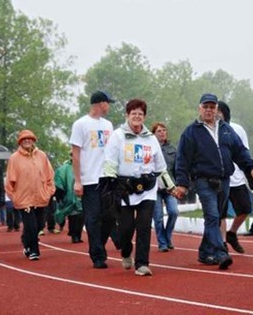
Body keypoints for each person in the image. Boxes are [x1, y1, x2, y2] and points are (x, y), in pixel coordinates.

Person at [173, 93, 253, 270]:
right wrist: (182, 183)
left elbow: (240, 151)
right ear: (200, 109)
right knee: (212, 216)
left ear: (216, 110)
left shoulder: (227, 129)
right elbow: (182, 159)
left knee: (215, 217)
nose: (208, 110)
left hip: (224, 180)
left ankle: (205, 252)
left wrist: (251, 167)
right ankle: (221, 252)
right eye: (205, 106)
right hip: (203, 181)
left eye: (212, 107)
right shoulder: (191, 132)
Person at [101, 99, 176, 276]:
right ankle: (126, 251)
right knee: (126, 229)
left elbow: (160, 167)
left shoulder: (151, 138)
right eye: (133, 113)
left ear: (144, 117)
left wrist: (171, 187)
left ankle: (142, 263)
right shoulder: (117, 136)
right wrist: (110, 183)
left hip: (147, 190)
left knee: (143, 226)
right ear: (127, 115)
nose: (137, 117)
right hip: (124, 189)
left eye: (140, 114)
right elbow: (110, 161)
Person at [69, 90, 116, 269]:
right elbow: (76, 153)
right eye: (107, 103)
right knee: (93, 217)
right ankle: (97, 255)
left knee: (110, 217)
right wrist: (77, 180)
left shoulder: (109, 125)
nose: (109, 106)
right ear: (100, 103)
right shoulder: (81, 124)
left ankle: (99, 245)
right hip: (89, 179)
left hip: (107, 178)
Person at [5, 129, 55, 261]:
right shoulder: (14, 158)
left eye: (30, 138)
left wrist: (49, 191)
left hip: (41, 197)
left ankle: (26, 242)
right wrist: (13, 197)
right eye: (24, 139)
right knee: (31, 225)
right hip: (23, 198)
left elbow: (49, 175)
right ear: (20, 142)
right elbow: (10, 180)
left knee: (39, 225)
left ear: (33, 140)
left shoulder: (42, 156)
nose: (27, 141)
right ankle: (34, 250)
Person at [216, 100, 253, 253]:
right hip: (219, 177)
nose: (216, 116)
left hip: (236, 177)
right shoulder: (208, 130)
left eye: (219, 112)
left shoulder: (237, 129)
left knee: (245, 208)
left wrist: (250, 171)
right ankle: (222, 242)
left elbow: (244, 152)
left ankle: (232, 233)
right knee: (221, 213)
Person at [151, 122, 179, 252]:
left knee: (173, 212)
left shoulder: (172, 149)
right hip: (154, 188)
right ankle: (162, 243)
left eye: (164, 130)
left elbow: (177, 168)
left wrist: (178, 184)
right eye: (159, 131)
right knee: (158, 217)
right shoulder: (150, 148)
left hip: (170, 187)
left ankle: (167, 237)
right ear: (153, 134)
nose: (162, 133)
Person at [54, 152, 84, 244]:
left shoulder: (84, 166)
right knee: (73, 216)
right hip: (70, 196)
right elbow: (59, 181)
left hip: (82, 196)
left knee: (81, 217)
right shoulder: (65, 168)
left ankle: (78, 235)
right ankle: (74, 235)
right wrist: (60, 196)